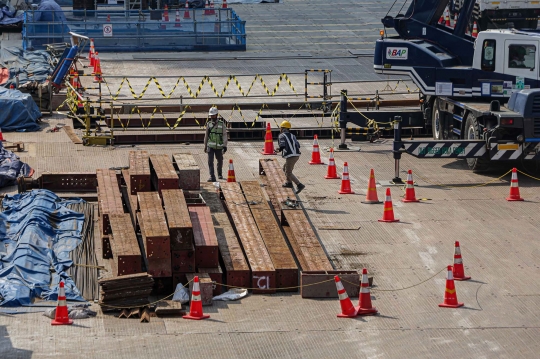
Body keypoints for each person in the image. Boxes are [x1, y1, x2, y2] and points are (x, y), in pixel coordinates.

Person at [276, 120, 305, 194]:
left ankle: (299, 185)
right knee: (285, 168)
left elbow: (282, 145)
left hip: (291, 156)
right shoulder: (293, 135)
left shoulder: (281, 135)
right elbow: (298, 145)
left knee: (288, 172)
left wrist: (278, 150)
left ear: (282, 128)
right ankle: (289, 182)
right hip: (296, 155)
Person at [203, 106, 227, 182]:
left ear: (216, 115)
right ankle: (212, 176)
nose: (212, 117)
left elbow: (224, 135)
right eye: (211, 115)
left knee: (220, 161)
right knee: (210, 161)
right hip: (210, 146)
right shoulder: (209, 124)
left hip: (219, 147)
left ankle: (219, 173)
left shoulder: (221, 124)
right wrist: (205, 145)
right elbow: (206, 136)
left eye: (213, 115)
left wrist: (225, 146)